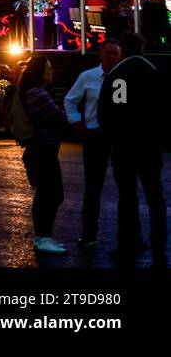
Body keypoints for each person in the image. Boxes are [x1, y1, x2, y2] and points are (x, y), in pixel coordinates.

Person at [99, 33, 167, 264]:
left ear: (123, 49)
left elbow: (112, 113)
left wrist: (113, 139)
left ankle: (127, 242)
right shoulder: (155, 73)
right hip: (150, 146)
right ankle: (159, 244)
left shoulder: (119, 76)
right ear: (143, 48)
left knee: (127, 196)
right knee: (155, 196)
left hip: (124, 146)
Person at [64, 40, 122, 248]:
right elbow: (70, 99)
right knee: (93, 187)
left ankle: (98, 234)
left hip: (113, 138)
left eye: (116, 54)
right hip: (95, 137)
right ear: (101, 55)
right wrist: (77, 122)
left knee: (117, 187)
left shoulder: (119, 80)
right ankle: (89, 232)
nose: (113, 58)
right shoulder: (88, 77)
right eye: (110, 54)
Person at [13, 55, 69, 255]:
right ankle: (43, 237)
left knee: (46, 193)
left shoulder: (28, 92)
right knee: (52, 193)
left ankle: (43, 237)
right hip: (43, 150)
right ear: (40, 72)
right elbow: (60, 117)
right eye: (48, 69)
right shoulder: (38, 94)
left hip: (37, 150)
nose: (52, 72)